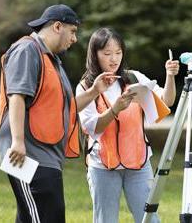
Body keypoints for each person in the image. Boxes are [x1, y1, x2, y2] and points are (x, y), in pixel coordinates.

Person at [0, 4, 117, 223]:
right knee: (47, 216)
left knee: (33, 217)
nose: (75, 39)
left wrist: (94, 91)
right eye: (73, 31)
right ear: (58, 26)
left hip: (46, 157)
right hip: (26, 155)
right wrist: (18, 142)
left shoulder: (51, 61)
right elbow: (16, 97)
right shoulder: (27, 50)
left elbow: (66, 106)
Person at [76, 27, 180, 223]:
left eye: (118, 52)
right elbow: (92, 127)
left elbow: (167, 101)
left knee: (150, 219)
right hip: (103, 165)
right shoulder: (86, 87)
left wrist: (170, 76)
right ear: (94, 54)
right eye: (107, 53)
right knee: (105, 219)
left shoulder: (134, 78)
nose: (113, 59)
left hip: (138, 163)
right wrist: (114, 109)